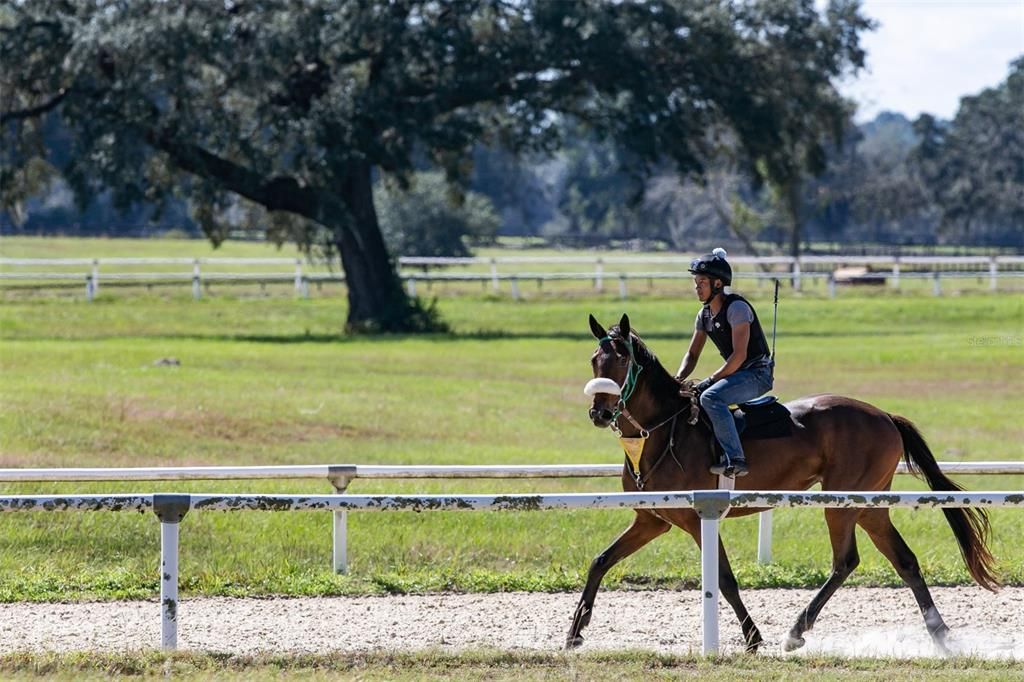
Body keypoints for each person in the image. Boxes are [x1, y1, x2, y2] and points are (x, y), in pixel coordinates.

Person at [675, 248, 773, 477]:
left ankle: (736, 459)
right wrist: (678, 379)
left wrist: (709, 381)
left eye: (702, 282)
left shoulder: (737, 309)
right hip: (737, 374)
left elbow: (738, 356)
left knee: (710, 396)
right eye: (695, 282)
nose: (697, 287)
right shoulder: (704, 315)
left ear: (717, 284)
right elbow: (692, 355)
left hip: (757, 374)